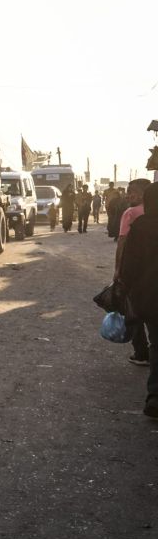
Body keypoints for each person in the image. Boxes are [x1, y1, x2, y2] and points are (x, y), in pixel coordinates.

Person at [117, 182, 158, 418]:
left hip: (151, 297)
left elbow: (129, 264)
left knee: (157, 344)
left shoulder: (141, 226)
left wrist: (124, 284)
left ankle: (154, 396)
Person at [116, 178, 152, 365]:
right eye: (129, 192)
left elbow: (122, 242)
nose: (130, 195)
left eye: (134, 192)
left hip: (135, 271)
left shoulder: (130, 213)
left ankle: (141, 353)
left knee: (134, 311)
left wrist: (118, 270)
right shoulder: (153, 212)